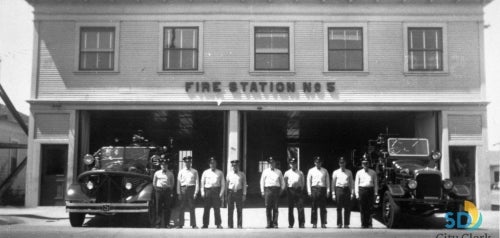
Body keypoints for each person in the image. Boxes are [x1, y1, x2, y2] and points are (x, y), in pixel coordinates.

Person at [260, 156, 285, 228]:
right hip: (268, 190)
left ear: (275, 163)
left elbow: (282, 181)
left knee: (275, 207)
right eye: (270, 163)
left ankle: (275, 223)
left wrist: (282, 189)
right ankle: (268, 223)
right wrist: (262, 191)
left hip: (276, 190)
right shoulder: (265, 171)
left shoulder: (279, 172)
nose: (271, 164)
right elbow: (262, 181)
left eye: (273, 162)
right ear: (269, 164)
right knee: (268, 207)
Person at [200, 157, 225, 229]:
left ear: (216, 164)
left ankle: (218, 224)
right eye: (211, 163)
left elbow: (223, 184)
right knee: (206, 208)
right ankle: (205, 224)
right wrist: (202, 192)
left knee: (217, 209)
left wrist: (221, 193)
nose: (212, 164)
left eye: (214, 163)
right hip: (207, 190)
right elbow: (202, 183)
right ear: (209, 164)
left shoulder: (220, 172)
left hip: (216, 191)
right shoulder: (205, 172)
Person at [354, 157, 378, 228]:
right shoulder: (359, 172)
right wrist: (357, 193)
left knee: (370, 208)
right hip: (362, 190)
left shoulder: (373, 172)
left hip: (370, 190)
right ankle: (363, 224)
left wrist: (376, 193)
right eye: (364, 163)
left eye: (366, 163)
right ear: (362, 164)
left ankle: (370, 224)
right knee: (362, 208)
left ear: (369, 164)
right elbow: (356, 183)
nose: (365, 165)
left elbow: (376, 183)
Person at [307, 156, 330, 228]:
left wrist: (328, 190)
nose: (318, 163)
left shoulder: (325, 171)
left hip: (322, 189)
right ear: (314, 163)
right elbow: (308, 181)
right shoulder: (311, 171)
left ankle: (323, 223)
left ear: (321, 163)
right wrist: (309, 191)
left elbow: (327, 181)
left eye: (319, 162)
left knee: (323, 207)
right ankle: (314, 223)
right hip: (314, 189)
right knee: (314, 207)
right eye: (317, 162)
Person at [177, 156, 199, 229]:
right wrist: (179, 193)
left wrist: (196, 192)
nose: (187, 163)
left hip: (191, 189)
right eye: (186, 162)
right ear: (184, 163)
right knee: (181, 207)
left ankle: (193, 224)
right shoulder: (181, 171)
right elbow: (178, 183)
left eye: (189, 162)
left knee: (192, 207)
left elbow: (197, 182)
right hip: (183, 189)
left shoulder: (194, 171)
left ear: (190, 162)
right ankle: (180, 224)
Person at [331, 157, 354, 228]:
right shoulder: (335, 172)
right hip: (339, 189)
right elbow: (333, 184)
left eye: (343, 162)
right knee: (339, 207)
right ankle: (339, 223)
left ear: (345, 163)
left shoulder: (349, 172)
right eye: (341, 163)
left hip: (346, 189)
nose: (342, 164)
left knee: (347, 208)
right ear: (339, 164)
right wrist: (333, 193)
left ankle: (346, 224)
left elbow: (351, 183)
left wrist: (352, 193)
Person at [152, 159, 175, 228]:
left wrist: (169, 189)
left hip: (167, 191)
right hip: (159, 191)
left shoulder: (170, 173)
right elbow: (154, 182)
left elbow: (172, 183)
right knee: (158, 207)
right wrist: (157, 189)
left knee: (167, 208)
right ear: (160, 165)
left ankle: (167, 224)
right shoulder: (157, 173)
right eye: (162, 165)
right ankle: (158, 224)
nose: (164, 166)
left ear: (167, 165)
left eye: (165, 165)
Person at [283, 157, 305, 228]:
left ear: (296, 164)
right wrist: (287, 190)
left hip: (298, 191)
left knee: (300, 208)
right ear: (290, 164)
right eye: (291, 163)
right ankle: (291, 224)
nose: (293, 165)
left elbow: (302, 182)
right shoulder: (287, 173)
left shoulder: (300, 173)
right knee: (290, 208)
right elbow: (285, 182)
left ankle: (301, 224)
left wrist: (301, 189)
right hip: (290, 190)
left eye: (294, 163)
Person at [226, 159, 247, 229]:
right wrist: (226, 194)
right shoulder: (229, 174)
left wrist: (244, 194)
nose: (235, 167)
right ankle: (230, 225)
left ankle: (239, 224)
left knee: (239, 209)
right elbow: (227, 184)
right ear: (232, 166)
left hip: (239, 192)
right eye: (234, 166)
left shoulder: (242, 174)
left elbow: (244, 185)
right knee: (230, 209)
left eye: (236, 165)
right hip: (231, 192)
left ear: (238, 166)